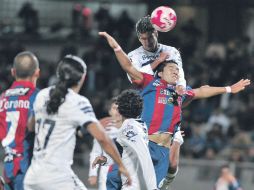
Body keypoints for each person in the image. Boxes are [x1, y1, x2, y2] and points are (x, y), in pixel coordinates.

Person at [98, 31, 250, 189]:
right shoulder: (150, 82)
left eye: (177, 69)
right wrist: (116, 47)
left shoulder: (181, 92)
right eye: (171, 68)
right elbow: (129, 67)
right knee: (114, 179)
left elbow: (202, 91)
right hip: (143, 142)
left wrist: (229, 89)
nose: (175, 71)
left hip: (162, 150)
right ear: (160, 73)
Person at [23, 55, 131, 190]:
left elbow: (31, 127)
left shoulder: (42, 95)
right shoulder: (78, 102)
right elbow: (102, 138)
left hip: (33, 177)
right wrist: (121, 165)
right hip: (57, 178)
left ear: (59, 74)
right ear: (83, 78)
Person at [93, 89, 157, 190]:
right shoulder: (139, 125)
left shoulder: (129, 129)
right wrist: (106, 159)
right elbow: (124, 151)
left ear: (120, 109)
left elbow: (143, 155)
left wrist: (152, 187)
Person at [0, 51, 40, 190]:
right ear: (37, 73)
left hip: (8, 170)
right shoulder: (39, 98)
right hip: (29, 170)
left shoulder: (2, 98)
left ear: (13, 72)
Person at [127, 15, 186, 95]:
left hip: (167, 96)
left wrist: (181, 85)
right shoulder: (133, 55)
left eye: (150, 37)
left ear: (156, 33)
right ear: (139, 38)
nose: (147, 42)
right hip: (144, 97)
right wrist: (158, 61)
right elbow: (135, 76)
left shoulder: (172, 51)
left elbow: (179, 72)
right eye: (143, 39)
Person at [88, 97, 121, 190]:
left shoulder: (131, 127)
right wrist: (93, 174)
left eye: (120, 108)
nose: (117, 111)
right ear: (109, 111)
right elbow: (96, 151)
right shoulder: (103, 128)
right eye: (115, 108)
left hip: (126, 171)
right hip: (107, 171)